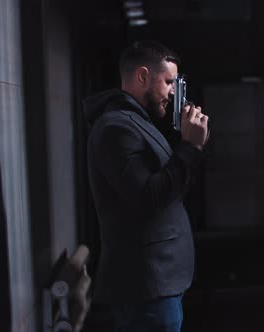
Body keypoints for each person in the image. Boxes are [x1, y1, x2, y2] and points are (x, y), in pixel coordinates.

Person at [83, 40, 209, 331]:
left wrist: (190, 146)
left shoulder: (136, 123)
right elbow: (147, 197)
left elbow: (168, 190)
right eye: (167, 82)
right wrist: (190, 148)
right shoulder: (116, 128)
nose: (172, 92)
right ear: (142, 77)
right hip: (146, 287)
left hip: (157, 284)